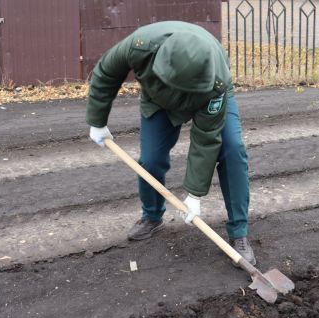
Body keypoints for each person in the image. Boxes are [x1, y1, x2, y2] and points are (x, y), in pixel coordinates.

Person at [85, 21, 255, 265]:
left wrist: (195, 195)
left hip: (205, 96)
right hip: (159, 100)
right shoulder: (140, 45)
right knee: (151, 159)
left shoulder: (216, 81)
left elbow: (206, 139)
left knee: (232, 150)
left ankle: (239, 233)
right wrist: (97, 120)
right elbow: (106, 72)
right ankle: (152, 217)